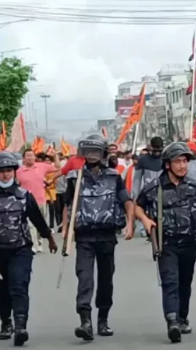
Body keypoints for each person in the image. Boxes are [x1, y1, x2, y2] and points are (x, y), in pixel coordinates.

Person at [135, 142, 196, 343]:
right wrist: (146, 220)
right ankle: (172, 321)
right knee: (170, 281)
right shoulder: (154, 187)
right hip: (166, 244)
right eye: (178, 162)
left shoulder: (194, 186)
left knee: (185, 282)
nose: (183, 166)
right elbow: (137, 206)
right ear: (168, 164)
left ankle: (182, 317)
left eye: (185, 161)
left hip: (189, 242)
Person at [0, 151, 57, 346]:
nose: (6, 175)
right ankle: (6, 322)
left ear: (14, 172)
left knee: (19, 286)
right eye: (1, 171)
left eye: (9, 170)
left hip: (20, 249)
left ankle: (20, 327)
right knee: (0, 290)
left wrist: (49, 238)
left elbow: (38, 219)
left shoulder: (24, 196)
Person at [62, 134, 135, 341]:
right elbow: (67, 205)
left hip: (107, 236)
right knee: (84, 278)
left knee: (106, 279)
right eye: (88, 151)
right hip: (84, 237)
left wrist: (130, 223)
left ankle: (103, 319)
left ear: (103, 153)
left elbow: (127, 201)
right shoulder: (75, 177)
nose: (92, 155)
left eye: (96, 151)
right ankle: (85, 321)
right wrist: (65, 229)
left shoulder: (114, 176)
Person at [16, 149, 56, 253]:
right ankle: (34, 244)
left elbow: (58, 168)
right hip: (26, 201)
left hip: (40, 200)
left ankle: (40, 242)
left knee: (41, 223)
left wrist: (55, 156)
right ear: (23, 158)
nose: (30, 158)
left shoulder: (42, 166)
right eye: (27, 156)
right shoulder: (19, 171)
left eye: (31, 156)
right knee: (30, 224)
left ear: (35, 157)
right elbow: (16, 186)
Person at [132, 137, 165, 238]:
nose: (157, 153)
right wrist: (135, 195)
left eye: (159, 150)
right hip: (147, 190)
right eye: (155, 150)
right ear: (150, 147)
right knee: (142, 208)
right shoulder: (143, 160)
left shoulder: (166, 158)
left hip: (163, 190)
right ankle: (143, 229)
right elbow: (137, 179)